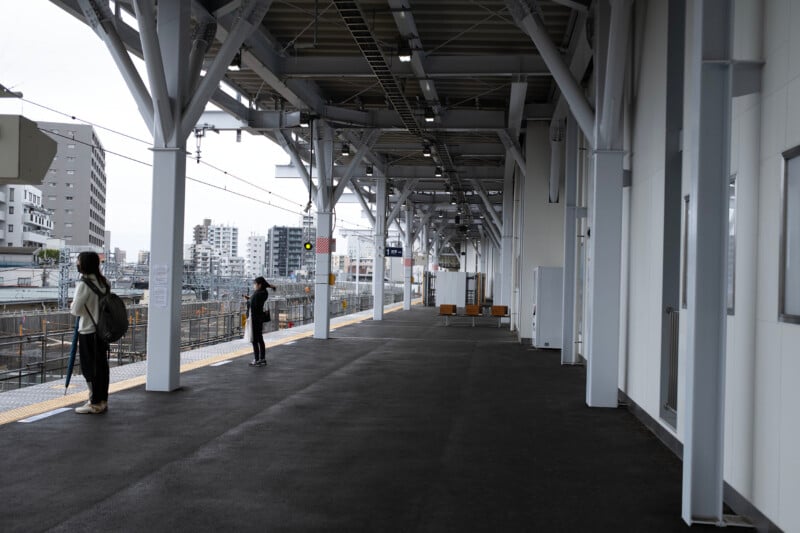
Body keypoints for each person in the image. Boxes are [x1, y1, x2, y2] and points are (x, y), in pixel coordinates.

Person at [70, 251, 110, 414]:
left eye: (78, 261)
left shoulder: (84, 285)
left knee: (90, 368)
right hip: (103, 331)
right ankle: (102, 400)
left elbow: (76, 310)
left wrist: (72, 304)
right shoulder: (105, 282)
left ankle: (94, 403)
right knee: (101, 366)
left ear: (84, 264)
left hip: (88, 331)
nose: (76, 263)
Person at [244, 276, 276, 367]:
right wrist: (250, 299)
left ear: (259, 285)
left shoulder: (258, 293)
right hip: (259, 318)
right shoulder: (264, 292)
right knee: (260, 339)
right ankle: (262, 359)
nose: (254, 286)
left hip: (254, 319)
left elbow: (252, 305)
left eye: (255, 284)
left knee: (254, 340)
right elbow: (255, 302)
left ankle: (257, 359)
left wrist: (247, 301)